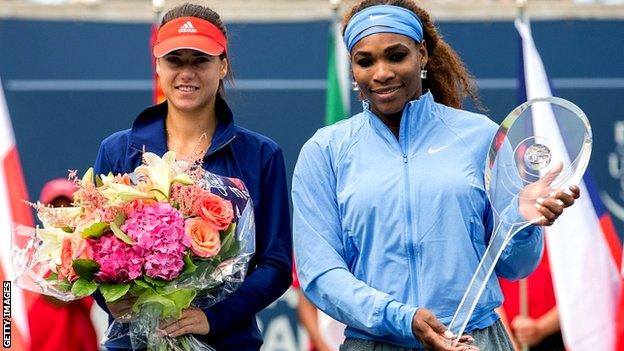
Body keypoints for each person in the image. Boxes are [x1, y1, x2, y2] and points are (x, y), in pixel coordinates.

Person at [291, 1, 580, 350]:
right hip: (375, 343)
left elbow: (515, 267)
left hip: (476, 340)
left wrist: (522, 224)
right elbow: (321, 274)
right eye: (365, 61)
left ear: (422, 54)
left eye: (396, 56)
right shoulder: (325, 151)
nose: (381, 72)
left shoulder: (480, 138)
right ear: (353, 69)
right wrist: (402, 318)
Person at [92, 3, 292, 350]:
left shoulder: (261, 155)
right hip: (131, 343)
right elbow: (94, 250)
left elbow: (275, 264)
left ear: (223, 65)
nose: (187, 73)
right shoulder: (116, 151)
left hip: (228, 343)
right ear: (157, 65)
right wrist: (109, 297)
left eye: (200, 60)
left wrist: (214, 318)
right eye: (175, 60)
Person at [29, 178, 99, 351]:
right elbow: (54, 296)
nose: (62, 213)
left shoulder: (90, 245)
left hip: (82, 339)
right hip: (46, 341)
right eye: (55, 207)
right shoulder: (37, 252)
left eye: (69, 206)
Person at [499, 246, 565, 351]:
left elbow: (578, 296)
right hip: (505, 335)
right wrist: (507, 342)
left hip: (556, 336)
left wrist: (541, 329)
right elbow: (488, 291)